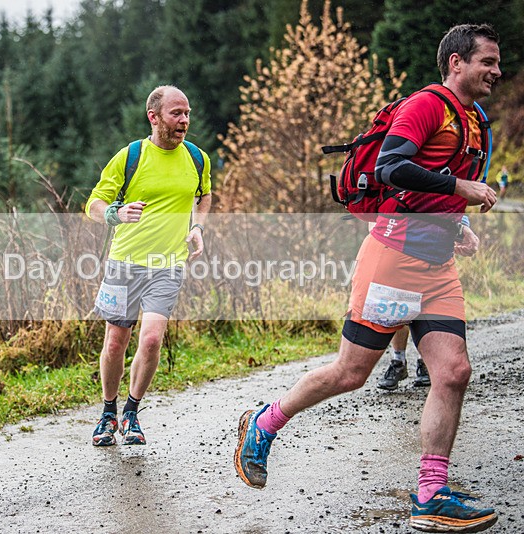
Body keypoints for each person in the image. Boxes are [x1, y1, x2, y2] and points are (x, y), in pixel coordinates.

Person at [234, 24, 500, 533]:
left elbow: (430, 185)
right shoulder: (427, 106)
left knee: (453, 372)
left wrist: (457, 221)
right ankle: (264, 425)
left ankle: (430, 494)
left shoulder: (469, 118)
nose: (496, 70)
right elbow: (390, 167)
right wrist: (462, 187)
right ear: (456, 63)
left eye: (497, 61)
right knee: (350, 374)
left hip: (438, 267)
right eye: (486, 61)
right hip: (393, 260)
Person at [85, 85, 212, 446]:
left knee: (152, 339)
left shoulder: (197, 158)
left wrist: (198, 227)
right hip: (124, 262)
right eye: (176, 113)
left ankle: (131, 412)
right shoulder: (131, 156)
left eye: (187, 113)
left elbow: (204, 195)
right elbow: (94, 203)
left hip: (168, 263)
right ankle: (108, 412)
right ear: (153, 117)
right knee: (115, 341)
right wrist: (116, 212)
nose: (184, 120)